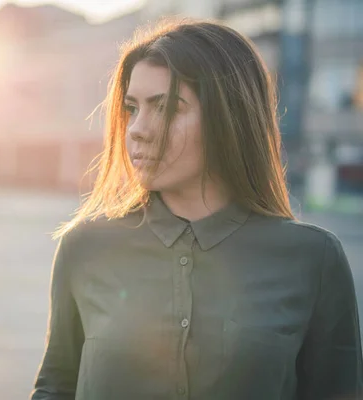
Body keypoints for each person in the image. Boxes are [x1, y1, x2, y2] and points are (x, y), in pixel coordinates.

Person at [30, 18, 363, 400]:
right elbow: (54, 388)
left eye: (167, 106)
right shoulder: (84, 246)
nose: (137, 128)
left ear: (229, 117)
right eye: (132, 108)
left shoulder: (314, 259)